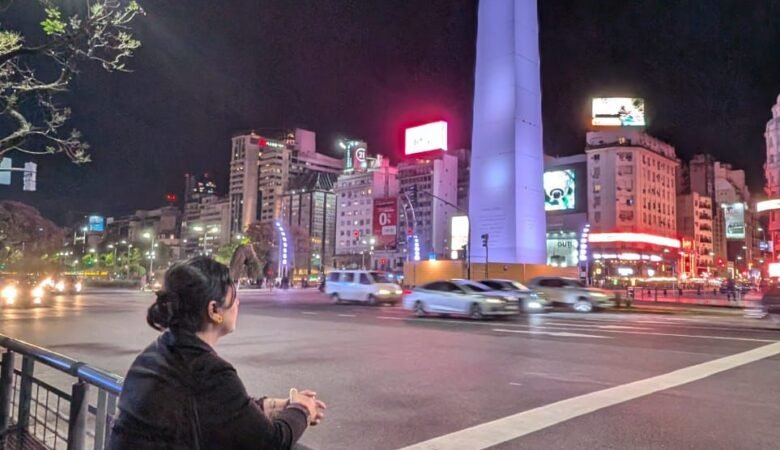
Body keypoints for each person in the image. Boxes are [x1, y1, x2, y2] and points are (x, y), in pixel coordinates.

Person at [109, 256, 325, 449]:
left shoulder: (159, 351)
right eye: (233, 297)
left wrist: (273, 406)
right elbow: (272, 442)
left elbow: (217, 408)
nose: (238, 303)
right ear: (214, 310)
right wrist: (302, 409)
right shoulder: (208, 370)